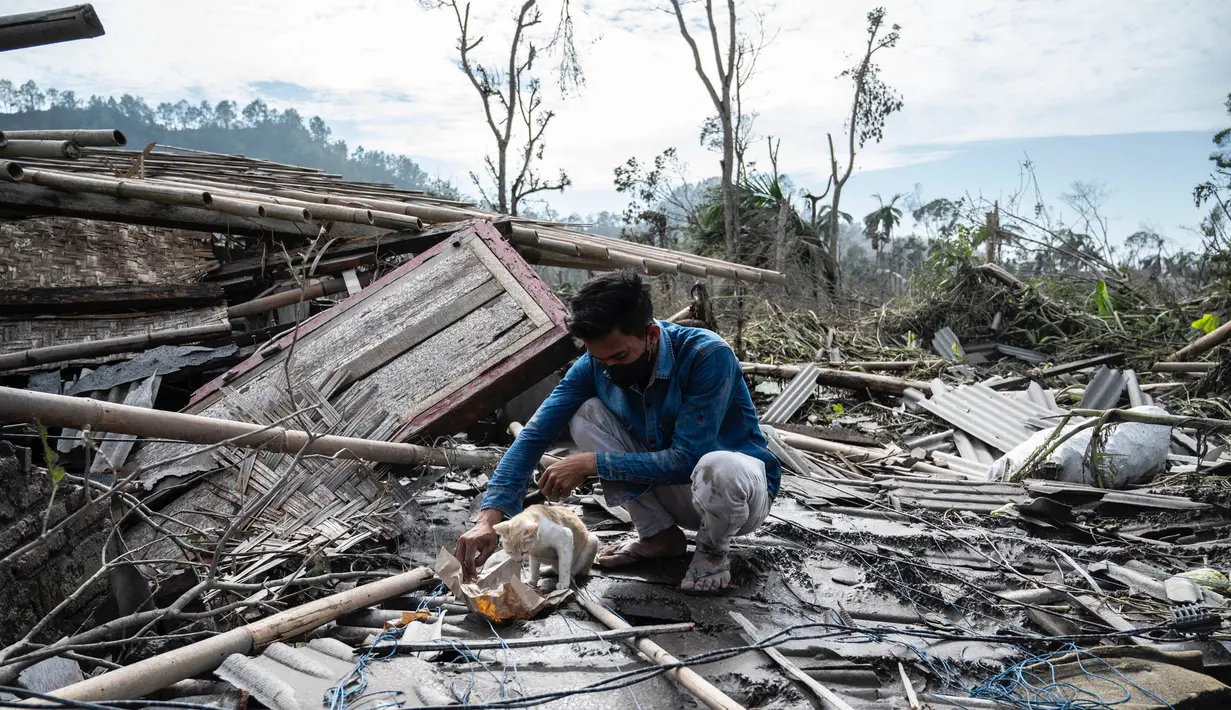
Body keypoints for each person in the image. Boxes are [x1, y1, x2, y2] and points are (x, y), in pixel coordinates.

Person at [454, 271, 780, 593]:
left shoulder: (706, 355)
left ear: (651, 334)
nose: (610, 367)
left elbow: (688, 458)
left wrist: (590, 464)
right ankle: (658, 535)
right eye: (600, 359)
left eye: (620, 355)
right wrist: (488, 521)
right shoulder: (595, 365)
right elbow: (533, 436)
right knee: (585, 415)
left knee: (718, 466)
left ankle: (711, 551)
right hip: (679, 494)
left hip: (739, 498)